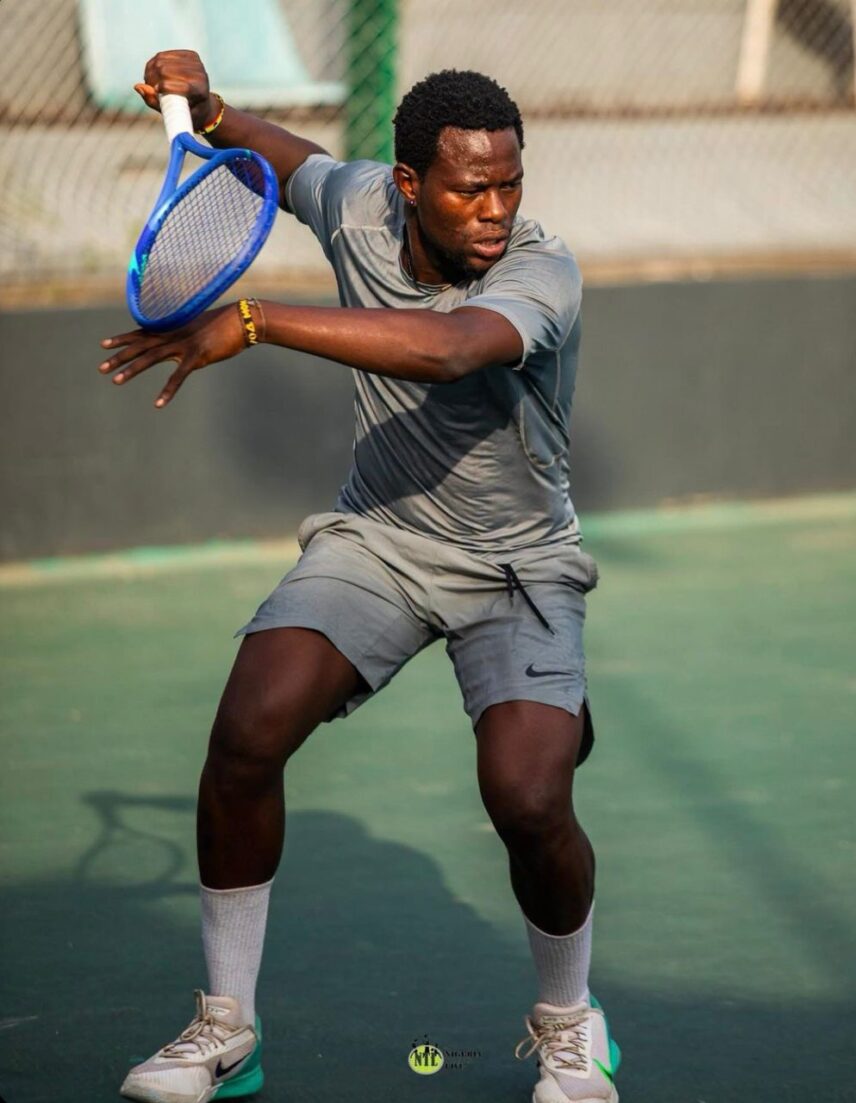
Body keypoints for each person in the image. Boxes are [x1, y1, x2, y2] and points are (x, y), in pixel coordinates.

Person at [100, 49, 621, 1103]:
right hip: (379, 537)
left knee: (526, 797)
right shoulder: (355, 205)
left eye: (508, 180)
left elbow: (449, 350)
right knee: (246, 730)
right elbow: (281, 157)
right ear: (408, 186)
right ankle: (227, 1026)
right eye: (469, 185)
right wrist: (208, 107)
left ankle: (569, 1022)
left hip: (517, 564)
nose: (493, 206)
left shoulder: (540, 269)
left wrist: (257, 318)